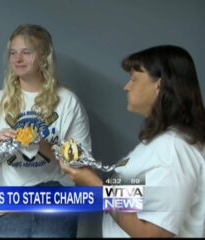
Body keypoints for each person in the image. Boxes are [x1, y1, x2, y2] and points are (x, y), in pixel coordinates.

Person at [62, 45, 205, 237]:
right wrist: (89, 176)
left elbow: (155, 234)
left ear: (159, 85)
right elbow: (141, 200)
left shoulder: (173, 150)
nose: (126, 86)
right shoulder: (159, 143)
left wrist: (96, 187)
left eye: (134, 78)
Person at [0, 24, 92, 238]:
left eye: (27, 52)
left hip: (55, 202)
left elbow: (79, 163)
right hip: (8, 203)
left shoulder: (68, 102)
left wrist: (41, 144)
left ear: (44, 57)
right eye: (13, 53)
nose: (18, 59)